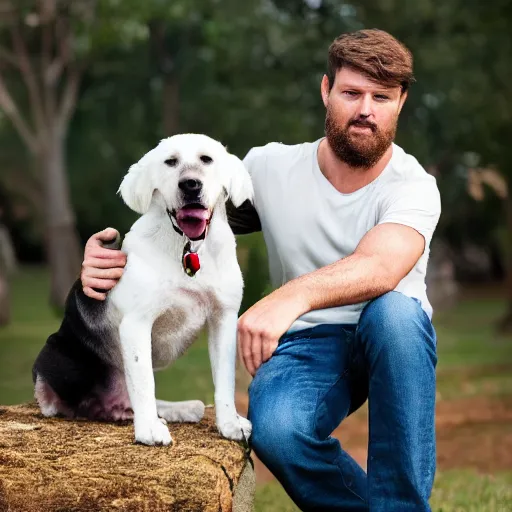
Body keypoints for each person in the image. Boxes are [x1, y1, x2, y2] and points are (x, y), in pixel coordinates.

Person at [81, 29, 441, 512]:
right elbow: (187, 224)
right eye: (351, 93)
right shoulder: (268, 169)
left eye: (382, 97)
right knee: (275, 430)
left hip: (393, 339)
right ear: (325, 91)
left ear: (401, 102)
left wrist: (285, 299)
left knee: (395, 312)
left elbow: (380, 267)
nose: (365, 110)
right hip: (308, 343)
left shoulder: (414, 186)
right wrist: (106, 257)